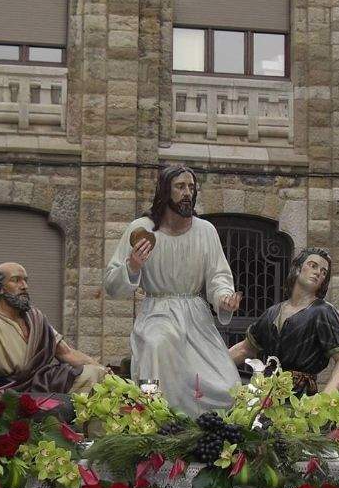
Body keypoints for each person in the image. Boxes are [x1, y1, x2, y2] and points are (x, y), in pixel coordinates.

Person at [103, 164, 243, 416]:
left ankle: (202, 429)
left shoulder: (205, 231)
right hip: (158, 313)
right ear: (164, 191)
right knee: (157, 344)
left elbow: (218, 276)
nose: (187, 192)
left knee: (228, 386)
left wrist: (224, 297)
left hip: (196, 318)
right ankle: (156, 416)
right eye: (180, 186)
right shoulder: (141, 229)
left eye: (191, 187)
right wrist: (132, 266)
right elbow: (112, 285)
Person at [0, 262, 105, 398]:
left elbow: (66, 353)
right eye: (16, 280)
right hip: (6, 389)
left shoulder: (36, 318)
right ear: (0, 289)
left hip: (42, 383)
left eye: (25, 280)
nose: (24, 286)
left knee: (93, 373)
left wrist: (100, 368)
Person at [228, 248, 339, 395]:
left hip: (302, 398)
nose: (318, 273)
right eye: (313, 266)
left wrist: (326, 398)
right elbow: (245, 349)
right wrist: (209, 367)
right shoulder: (272, 312)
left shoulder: (323, 311)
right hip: (266, 394)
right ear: (298, 268)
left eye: (324, 272)